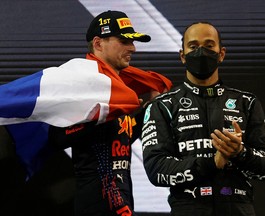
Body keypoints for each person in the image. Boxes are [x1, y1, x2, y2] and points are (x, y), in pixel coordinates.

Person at [141, 22, 265, 216]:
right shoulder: (163, 105)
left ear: (221, 54)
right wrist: (213, 163)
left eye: (209, 45)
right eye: (193, 47)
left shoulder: (246, 102)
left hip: (239, 207)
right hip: (188, 208)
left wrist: (240, 152)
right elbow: (156, 169)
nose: (201, 52)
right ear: (182, 56)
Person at [48, 10, 172, 216]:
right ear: (98, 43)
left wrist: (150, 109)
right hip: (96, 203)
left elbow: (119, 138)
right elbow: (57, 137)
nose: (132, 48)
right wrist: (104, 115)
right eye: (124, 41)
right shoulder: (81, 83)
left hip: (122, 199)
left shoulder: (120, 90)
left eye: (131, 42)